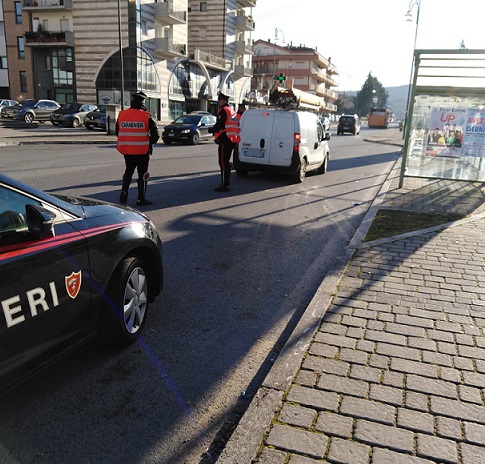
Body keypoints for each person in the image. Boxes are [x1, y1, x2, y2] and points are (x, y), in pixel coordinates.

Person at [116, 91, 159, 206]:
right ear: (142, 102)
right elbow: (156, 134)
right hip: (142, 151)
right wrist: (150, 143)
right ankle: (141, 198)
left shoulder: (122, 114)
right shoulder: (146, 116)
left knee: (128, 172)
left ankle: (124, 192)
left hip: (127, 151)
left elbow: (117, 132)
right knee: (142, 175)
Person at [208, 92, 240, 192]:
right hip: (231, 140)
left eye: (220, 100)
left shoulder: (223, 111)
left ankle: (224, 185)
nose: (218, 102)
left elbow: (219, 125)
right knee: (225, 162)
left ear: (225, 101)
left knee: (222, 163)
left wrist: (211, 130)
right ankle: (227, 182)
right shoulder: (231, 111)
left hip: (224, 140)